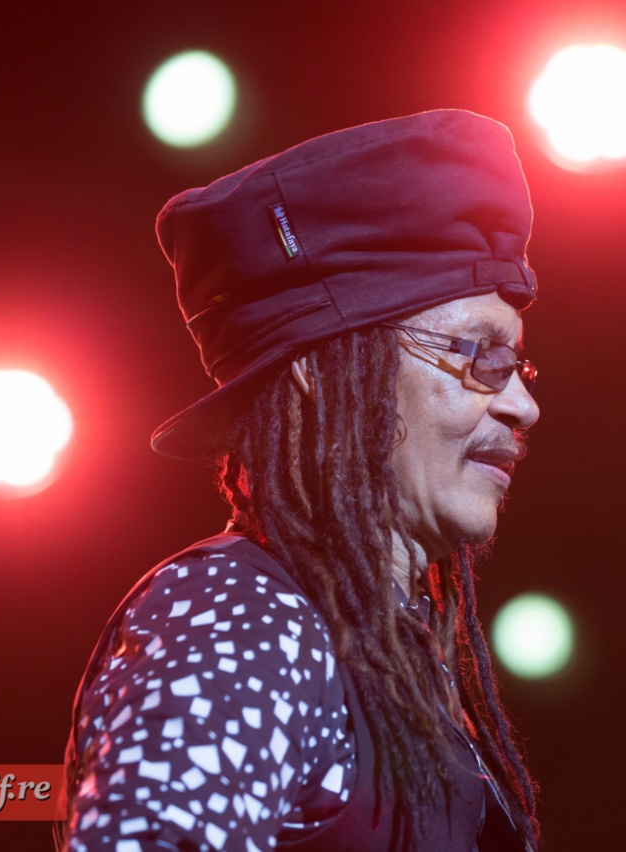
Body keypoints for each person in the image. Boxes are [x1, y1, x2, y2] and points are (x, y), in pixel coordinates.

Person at [61, 110, 543, 852]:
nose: (523, 406)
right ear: (322, 370)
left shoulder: (391, 648)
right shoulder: (239, 612)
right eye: (479, 356)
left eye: (518, 367)